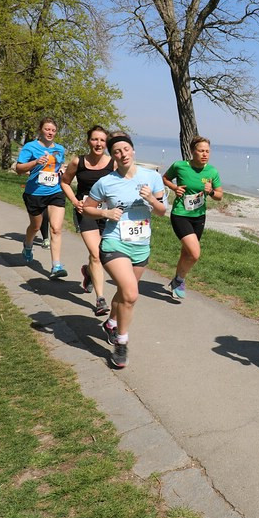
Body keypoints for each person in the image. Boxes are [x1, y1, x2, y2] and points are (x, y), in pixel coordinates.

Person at [82, 133, 165, 368]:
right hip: (114, 242)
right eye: (117, 151)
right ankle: (121, 341)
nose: (123, 154)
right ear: (113, 156)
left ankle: (110, 323)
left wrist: (151, 198)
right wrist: (105, 213)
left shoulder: (152, 177)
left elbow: (161, 211)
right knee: (130, 294)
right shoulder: (106, 182)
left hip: (140, 246)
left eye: (126, 149)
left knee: (124, 292)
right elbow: (87, 209)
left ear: (133, 151)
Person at [59, 126, 115, 316]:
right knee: (96, 254)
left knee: (101, 254)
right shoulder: (78, 162)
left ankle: (89, 272)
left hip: (108, 214)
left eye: (102, 140)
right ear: (88, 141)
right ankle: (100, 300)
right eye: (94, 139)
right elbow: (65, 182)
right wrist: (75, 202)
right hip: (86, 212)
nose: (98, 144)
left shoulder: (113, 164)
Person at [162, 136, 221, 300]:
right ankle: (180, 280)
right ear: (192, 151)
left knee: (186, 253)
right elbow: (165, 178)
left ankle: (176, 280)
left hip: (199, 216)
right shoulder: (180, 166)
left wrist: (211, 192)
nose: (205, 154)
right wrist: (175, 187)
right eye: (201, 151)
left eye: (207, 151)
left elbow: (220, 195)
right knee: (194, 254)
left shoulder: (212, 171)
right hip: (181, 214)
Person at [15, 118, 67, 278]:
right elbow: (18, 169)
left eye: (53, 130)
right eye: (47, 129)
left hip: (55, 191)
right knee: (35, 227)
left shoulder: (60, 149)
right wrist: (36, 162)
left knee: (56, 229)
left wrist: (62, 171)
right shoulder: (30, 147)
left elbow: (60, 166)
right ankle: (28, 244)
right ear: (40, 130)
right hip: (34, 193)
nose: (50, 133)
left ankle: (56, 266)